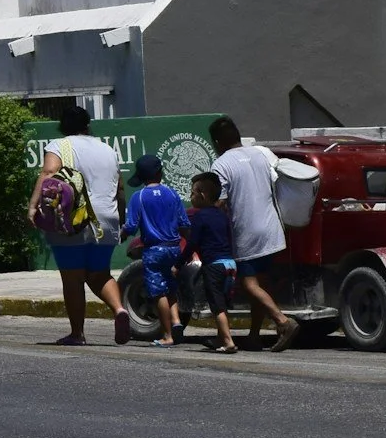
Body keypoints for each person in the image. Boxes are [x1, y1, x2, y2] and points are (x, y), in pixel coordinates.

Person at [30, 106, 129, 345]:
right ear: (87, 125)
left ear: (62, 126)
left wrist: (33, 206)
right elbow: (120, 187)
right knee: (100, 273)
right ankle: (119, 310)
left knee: (72, 277)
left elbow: (49, 172)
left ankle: (77, 333)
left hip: (73, 219)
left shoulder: (59, 146)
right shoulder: (107, 149)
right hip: (107, 218)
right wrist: (121, 218)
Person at [209, 115, 296, 351]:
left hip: (247, 232)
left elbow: (220, 203)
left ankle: (283, 322)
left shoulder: (221, 165)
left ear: (216, 142)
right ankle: (254, 336)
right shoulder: (261, 154)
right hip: (272, 229)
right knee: (260, 285)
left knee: (249, 285)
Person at [119, 155, 188, 346]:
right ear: (160, 173)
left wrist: (122, 234)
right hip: (174, 248)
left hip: (153, 251)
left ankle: (167, 335)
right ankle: (176, 321)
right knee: (171, 287)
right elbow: (184, 223)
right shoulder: (172, 193)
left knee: (158, 293)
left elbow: (131, 226)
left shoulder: (139, 197)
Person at [181, 171, 238, 354]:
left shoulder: (200, 216)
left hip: (213, 265)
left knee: (217, 305)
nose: (191, 197)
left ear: (202, 195)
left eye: (192, 193)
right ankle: (221, 338)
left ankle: (228, 342)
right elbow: (230, 239)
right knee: (223, 303)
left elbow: (193, 243)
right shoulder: (223, 215)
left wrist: (178, 263)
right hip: (230, 264)